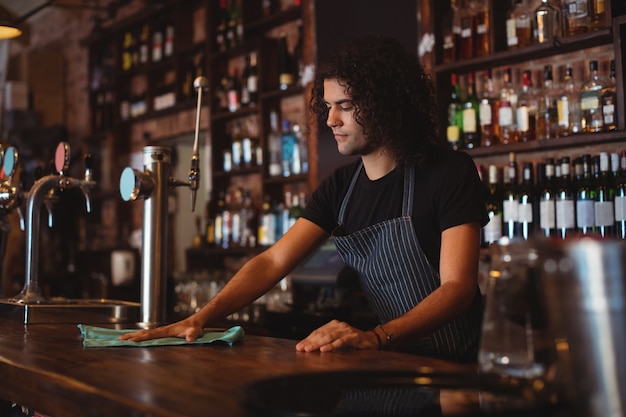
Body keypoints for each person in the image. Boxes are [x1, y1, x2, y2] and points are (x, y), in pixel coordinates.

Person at [120, 35, 488, 363]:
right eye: (327, 106)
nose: (331, 120)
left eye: (344, 105)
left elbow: (458, 288)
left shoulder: (447, 172)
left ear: (385, 104)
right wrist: (201, 317)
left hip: (460, 369)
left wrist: (377, 335)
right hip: (394, 363)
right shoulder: (341, 188)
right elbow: (271, 261)